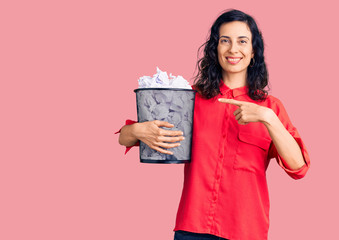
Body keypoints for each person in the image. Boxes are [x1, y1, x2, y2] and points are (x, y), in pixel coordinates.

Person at [116, 9, 310, 240]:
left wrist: (268, 118)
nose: (233, 49)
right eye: (224, 41)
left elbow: (299, 168)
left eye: (242, 41)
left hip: (246, 231)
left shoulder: (271, 107)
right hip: (192, 228)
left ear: (253, 50)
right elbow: (124, 137)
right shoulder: (190, 99)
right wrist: (137, 130)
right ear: (215, 48)